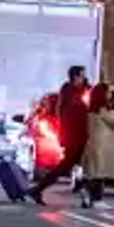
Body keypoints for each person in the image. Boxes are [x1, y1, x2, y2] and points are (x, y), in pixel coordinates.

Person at [29, 65, 91, 205]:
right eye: (82, 76)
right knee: (66, 166)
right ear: (75, 77)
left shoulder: (74, 91)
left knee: (76, 166)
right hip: (73, 137)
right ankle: (38, 189)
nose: (84, 79)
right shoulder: (69, 92)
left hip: (77, 136)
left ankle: (84, 197)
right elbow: (75, 113)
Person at [80, 83, 114, 209]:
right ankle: (97, 200)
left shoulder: (91, 109)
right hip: (103, 144)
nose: (110, 94)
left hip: (92, 142)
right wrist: (112, 108)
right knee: (100, 173)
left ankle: (86, 192)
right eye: (108, 92)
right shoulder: (104, 109)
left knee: (93, 172)